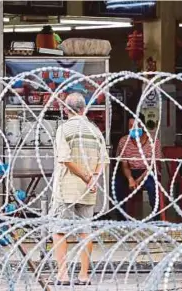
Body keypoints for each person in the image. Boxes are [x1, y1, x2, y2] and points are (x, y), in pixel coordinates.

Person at [49, 93, 108, 285]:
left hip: (66, 188)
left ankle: (63, 274)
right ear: (84, 109)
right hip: (88, 190)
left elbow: (65, 159)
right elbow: (103, 160)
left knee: (59, 230)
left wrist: (84, 176)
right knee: (85, 231)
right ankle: (83, 275)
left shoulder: (64, 129)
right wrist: (92, 180)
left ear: (66, 110)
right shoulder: (94, 130)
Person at [115, 113, 163, 220]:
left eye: (136, 126)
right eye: (130, 126)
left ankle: (157, 219)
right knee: (116, 185)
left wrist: (139, 179)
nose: (133, 128)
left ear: (142, 126)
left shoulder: (154, 142)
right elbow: (124, 164)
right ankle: (121, 220)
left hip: (147, 171)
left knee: (152, 187)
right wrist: (130, 178)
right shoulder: (124, 141)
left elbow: (153, 165)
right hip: (130, 171)